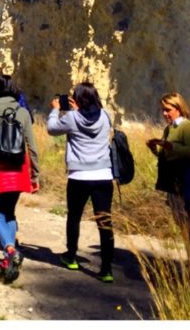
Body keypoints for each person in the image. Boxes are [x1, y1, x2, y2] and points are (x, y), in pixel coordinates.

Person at [46, 82, 115, 282]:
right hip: (103, 175)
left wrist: (55, 110)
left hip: (79, 176)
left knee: (74, 217)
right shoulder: (106, 115)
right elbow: (94, 120)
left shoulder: (72, 118)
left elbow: (51, 129)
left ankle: (71, 256)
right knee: (104, 222)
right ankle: (107, 269)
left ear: (77, 99)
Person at [0, 74, 39, 284]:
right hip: (18, 168)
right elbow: (31, 145)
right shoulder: (22, 112)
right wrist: (35, 174)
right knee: (10, 212)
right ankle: (9, 254)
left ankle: (10, 249)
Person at [146, 92, 190, 268]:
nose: (164, 114)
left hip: (187, 178)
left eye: (168, 110)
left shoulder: (187, 127)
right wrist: (156, 149)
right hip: (173, 179)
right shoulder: (169, 129)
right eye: (163, 110)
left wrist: (170, 146)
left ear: (178, 108)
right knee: (182, 221)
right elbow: (166, 156)